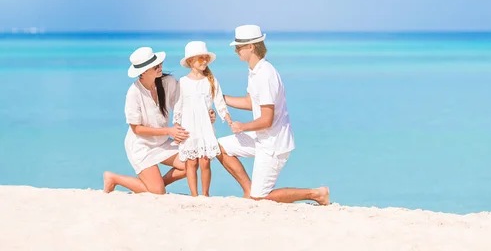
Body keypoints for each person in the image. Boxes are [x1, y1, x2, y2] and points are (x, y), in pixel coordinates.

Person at [217, 25, 330, 205]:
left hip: (274, 144)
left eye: (238, 47)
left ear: (251, 47)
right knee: (219, 147)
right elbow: (250, 102)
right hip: (261, 138)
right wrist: (220, 99)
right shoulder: (254, 70)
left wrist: (243, 126)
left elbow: (267, 119)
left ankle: (316, 193)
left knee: (261, 198)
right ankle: (249, 190)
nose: (235, 50)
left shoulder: (265, 75)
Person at [103, 46, 214, 194]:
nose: (160, 67)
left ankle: (156, 185)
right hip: (141, 147)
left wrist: (206, 115)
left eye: (159, 63)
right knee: (157, 192)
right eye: (156, 66)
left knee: (191, 162)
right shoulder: (134, 93)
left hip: (162, 143)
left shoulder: (168, 82)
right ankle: (113, 178)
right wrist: (169, 130)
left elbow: (184, 105)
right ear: (143, 72)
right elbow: (136, 128)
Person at [173, 41, 232, 197]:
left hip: (205, 126)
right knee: (191, 162)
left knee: (205, 161)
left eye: (206, 58)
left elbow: (219, 101)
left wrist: (228, 119)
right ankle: (194, 194)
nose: (204, 61)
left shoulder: (210, 81)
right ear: (191, 61)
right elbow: (178, 106)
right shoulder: (183, 82)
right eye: (200, 58)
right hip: (188, 127)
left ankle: (205, 194)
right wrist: (176, 127)